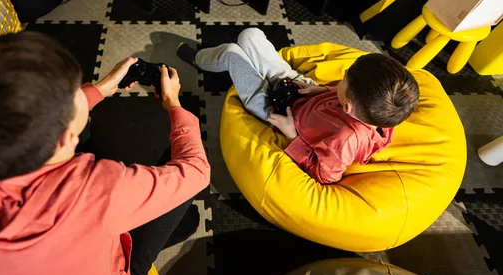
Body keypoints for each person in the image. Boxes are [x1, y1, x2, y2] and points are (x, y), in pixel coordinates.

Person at [0, 32, 210, 275]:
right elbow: (197, 170)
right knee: (179, 170)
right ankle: (150, 242)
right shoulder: (97, 189)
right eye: (73, 94)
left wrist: (100, 90)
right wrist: (174, 104)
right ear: (66, 139)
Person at [177, 27, 419, 184]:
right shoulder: (369, 107)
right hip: (300, 90)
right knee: (249, 36)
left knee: (232, 53)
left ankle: (201, 60)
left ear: (347, 107)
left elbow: (325, 175)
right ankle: (222, 60)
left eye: (344, 79)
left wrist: (291, 133)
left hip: (275, 110)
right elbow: (343, 96)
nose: (341, 77)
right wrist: (323, 90)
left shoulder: (343, 142)